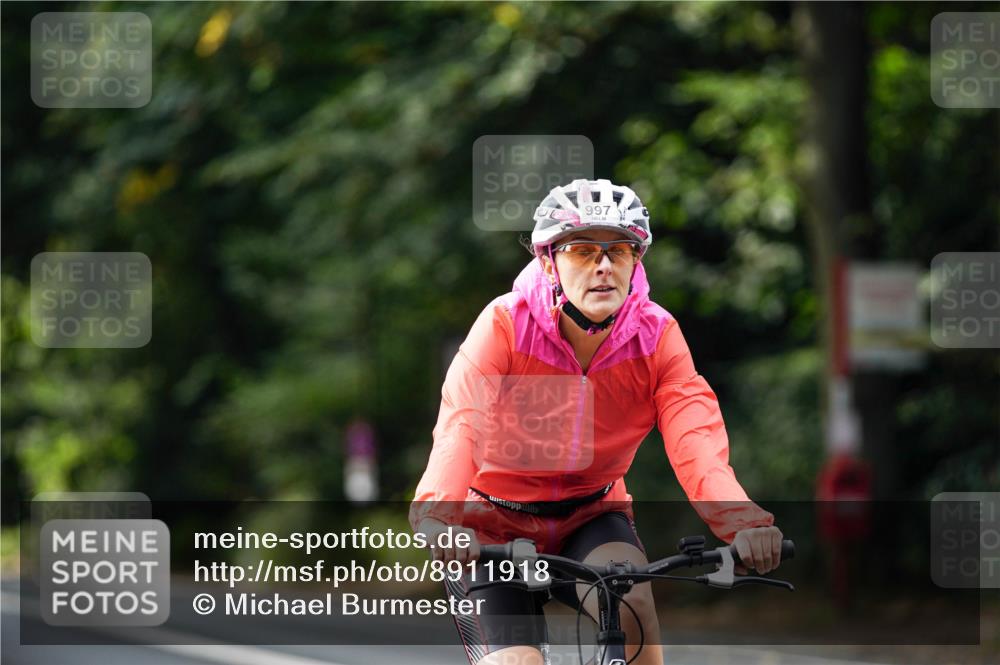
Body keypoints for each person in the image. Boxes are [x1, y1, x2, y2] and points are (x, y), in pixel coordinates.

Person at [410, 179, 783, 665]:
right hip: (491, 527)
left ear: (636, 261)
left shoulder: (657, 337)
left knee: (634, 606)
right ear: (548, 262)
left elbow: (696, 441)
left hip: (590, 516)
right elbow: (462, 424)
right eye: (583, 250)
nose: (603, 265)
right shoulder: (504, 324)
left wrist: (744, 523)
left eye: (619, 250)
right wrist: (439, 519)